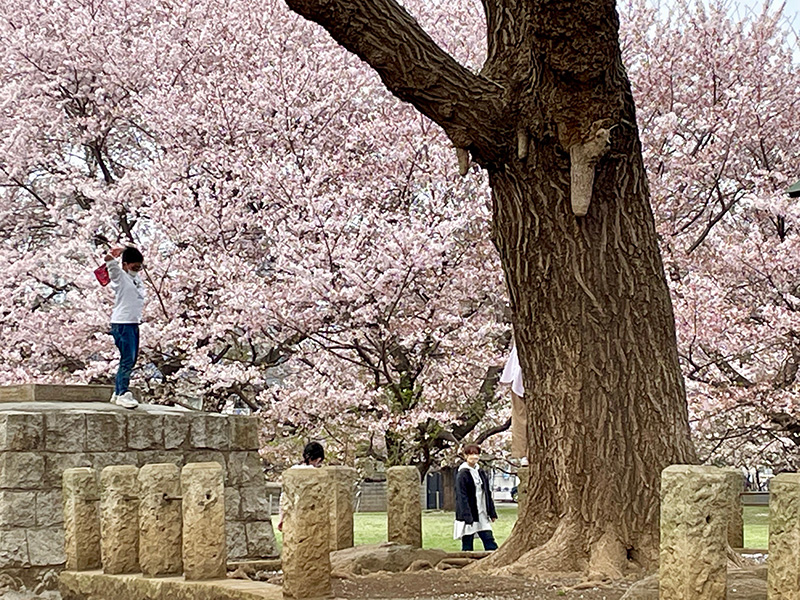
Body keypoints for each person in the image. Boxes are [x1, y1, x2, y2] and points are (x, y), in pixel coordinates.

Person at [105, 246, 145, 409]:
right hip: (122, 323)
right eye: (134, 266)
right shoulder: (120, 277)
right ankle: (122, 393)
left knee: (132, 358)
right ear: (126, 264)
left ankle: (118, 391)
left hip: (133, 323)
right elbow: (112, 267)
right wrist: (112, 257)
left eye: (139, 266)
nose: (137, 269)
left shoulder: (137, 280)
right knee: (127, 358)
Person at [453, 443, 498, 551]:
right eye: (471, 454)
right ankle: (466, 564)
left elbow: (487, 493)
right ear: (465, 456)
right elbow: (461, 496)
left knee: (489, 539)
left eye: (476, 454)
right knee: (467, 541)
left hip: (482, 511)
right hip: (469, 513)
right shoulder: (463, 474)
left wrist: (492, 512)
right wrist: (467, 516)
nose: (474, 457)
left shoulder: (480, 471)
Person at [277, 441, 325, 532]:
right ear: (318, 459)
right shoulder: (317, 474)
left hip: (292, 515)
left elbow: (284, 497)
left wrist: (281, 518)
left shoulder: (291, 471)